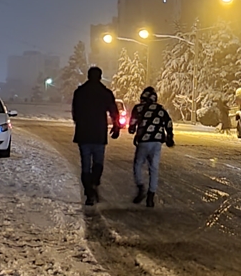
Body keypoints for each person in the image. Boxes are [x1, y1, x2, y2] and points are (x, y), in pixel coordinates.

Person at [71, 66, 120, 206]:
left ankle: (89, 192)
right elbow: (113, 111)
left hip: (84, 134)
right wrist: (116, 127)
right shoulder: (105, 93)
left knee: (85, 164)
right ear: (100, 76)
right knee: (98, 163)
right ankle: (94, 183)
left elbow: (75, 112)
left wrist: (79, 123)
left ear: (88, 76)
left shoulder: (80, 92)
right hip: (99, 133)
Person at [127, 86, 174, 207]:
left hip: (143, 141)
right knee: (154, 168)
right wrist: (169, 137)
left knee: (138, 164)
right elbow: (168, 122)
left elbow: (132, 125)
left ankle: (140, 186)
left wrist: (133, 129)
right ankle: (150, 197)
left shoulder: (138, 108)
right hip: (157, 142)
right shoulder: (160, 109)